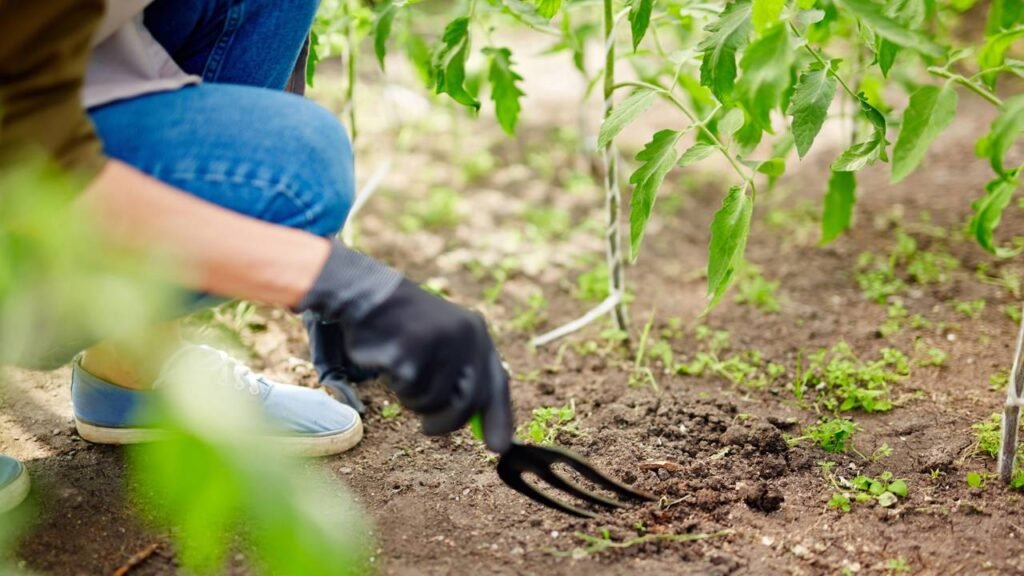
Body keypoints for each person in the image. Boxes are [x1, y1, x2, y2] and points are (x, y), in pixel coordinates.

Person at [0, 0, 513, 515]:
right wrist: (335, 278)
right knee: (299, 171)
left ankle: (132, 370)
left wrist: (325, 263)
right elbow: (23, 154)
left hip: (55, 84)